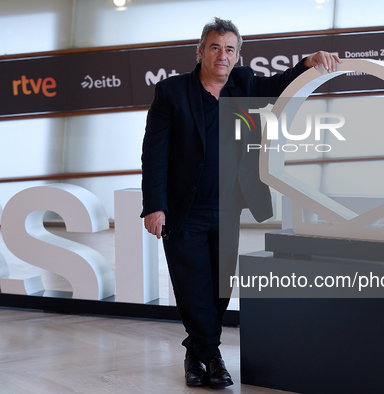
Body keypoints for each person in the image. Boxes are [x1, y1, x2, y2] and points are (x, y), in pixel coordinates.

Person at [141, 17, 340, 389]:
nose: (222, 55)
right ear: (200, 52)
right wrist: (155, 205)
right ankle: (212, 359)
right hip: (184, 211)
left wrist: (308, 62)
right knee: (191, 287)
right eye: (215, 47)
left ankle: (194, 355)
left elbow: (280, 85)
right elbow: (154, 154)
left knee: (219, 289)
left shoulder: (244, 84)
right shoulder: (171, 93)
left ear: (237, 56)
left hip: (228, 208)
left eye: (230, 49)